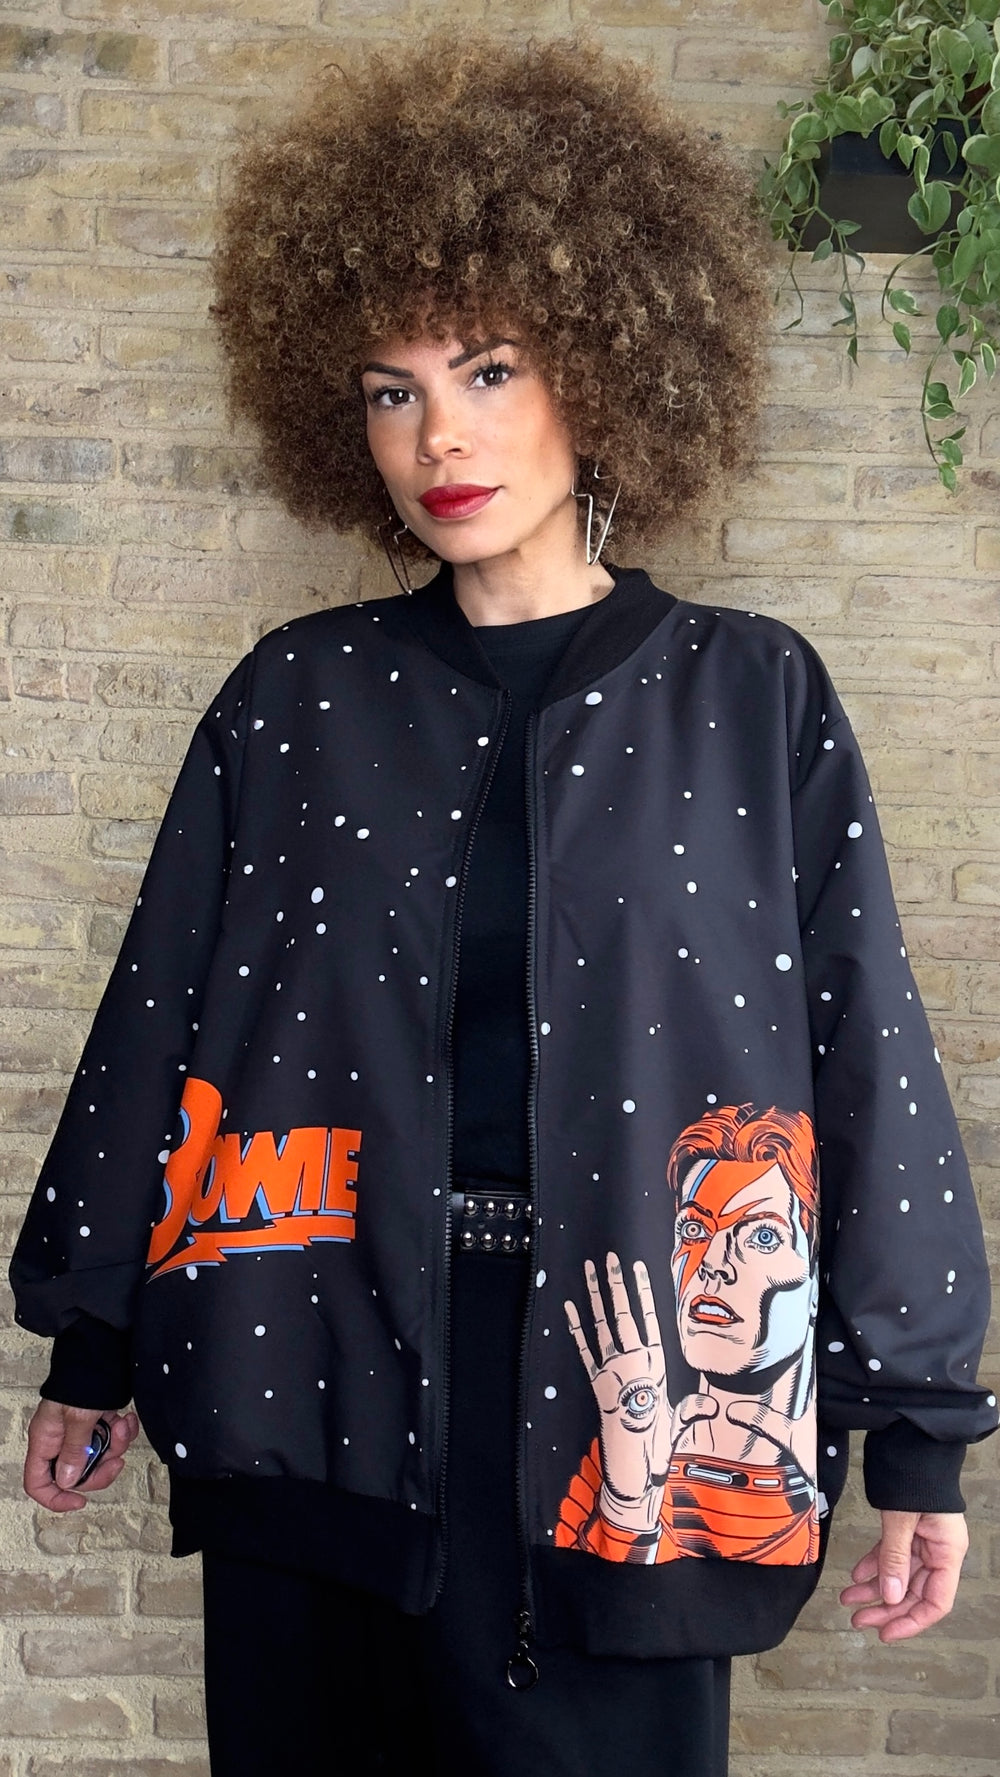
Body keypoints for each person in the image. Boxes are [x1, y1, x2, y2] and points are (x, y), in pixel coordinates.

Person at [9, 28, 996, 1777]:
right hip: (313, 1378)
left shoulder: (749, 696)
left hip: (629, 1410)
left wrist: (920, 1425)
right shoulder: (297, 698)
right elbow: (163, 1015)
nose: (437, 435)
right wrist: (94, 1337)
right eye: (390, 389)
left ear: (603, 367)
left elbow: (866, 1058)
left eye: (486, 368)